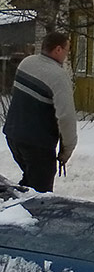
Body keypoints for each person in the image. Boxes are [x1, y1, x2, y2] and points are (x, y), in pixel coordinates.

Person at [3, 31, 78, 193]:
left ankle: (15, 211)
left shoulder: (26, 63)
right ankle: (18, 215)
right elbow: (66, 117)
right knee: (40, 194)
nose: (66, 54)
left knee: (30, 183)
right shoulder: (58, 76)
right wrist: (67, 150)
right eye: (67, 49)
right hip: (37, 143)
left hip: (13, 135)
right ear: (58, 50)